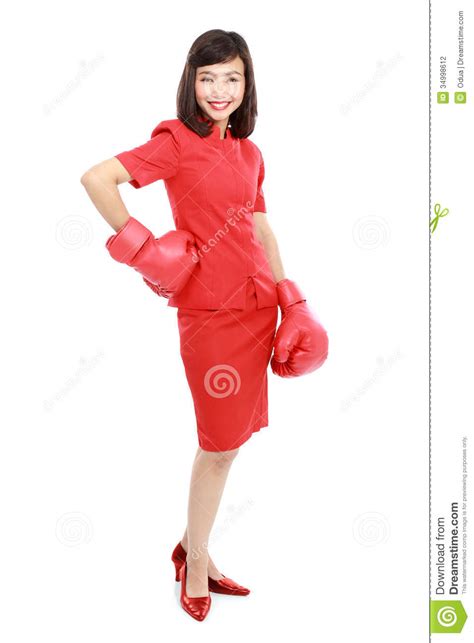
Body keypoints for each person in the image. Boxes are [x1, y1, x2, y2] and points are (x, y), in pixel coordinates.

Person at [81, 29, 327, 622]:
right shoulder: (175, 141)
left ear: (247, 85)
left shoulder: (249, 152)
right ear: (192, 82)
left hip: (258, 307)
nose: (220, 90)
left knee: (233, 444)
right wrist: (146, 251)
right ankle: (193, 558)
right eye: (208, 77)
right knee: (217, 446)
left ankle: (196, 545)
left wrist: (292, 301)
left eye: (232, 78)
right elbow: (96, 179)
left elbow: (261, 230)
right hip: (210, 315)